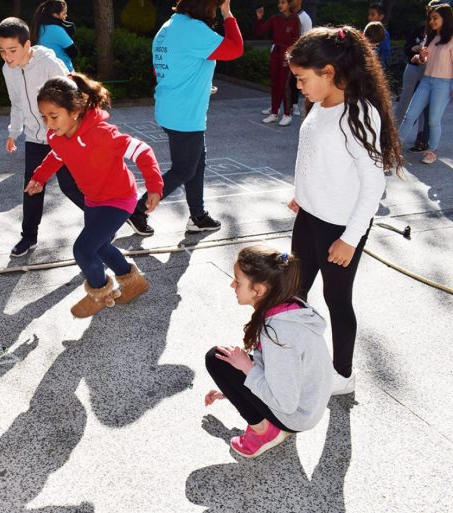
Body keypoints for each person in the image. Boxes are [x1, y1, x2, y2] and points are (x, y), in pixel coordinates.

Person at [287, 26, 403, 395]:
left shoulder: (359, 114)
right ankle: (295, 356)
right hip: (309, 216)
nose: (299, 87)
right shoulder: (320, 104)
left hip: (339, 226)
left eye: (302, 79)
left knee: (336, 299)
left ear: (329, 72)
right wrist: (302, 194)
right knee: (293, 290)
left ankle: (343, 374)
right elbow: (313, 156)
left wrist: (350, 239)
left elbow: (373, 184)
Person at [25, 73, 164, 318]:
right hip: (93, 199)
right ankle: (134, 283)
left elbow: (142, 150)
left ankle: (99, 293)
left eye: (54, 116)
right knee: (100, 247)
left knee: (83, 249)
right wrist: (39, 177)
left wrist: (154, 185)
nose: (48, 123)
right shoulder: (57, 137)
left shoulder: (102, 133)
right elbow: (57, 156)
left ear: (75, 111)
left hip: (120, 199)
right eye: (44, 117)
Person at [126, 0, 243, 237]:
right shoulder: (194, 29)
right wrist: (227, 13)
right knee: (183, 170)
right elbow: (235, 48)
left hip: (171, 108)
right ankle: (137, 210)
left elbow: (166, 69)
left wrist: (200, 86)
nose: (214, 12)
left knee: (197, 162)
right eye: (214, 7)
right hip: (185, 115)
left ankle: (198, 216)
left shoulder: (168, 27)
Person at [204, 245, 331, 458]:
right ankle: (268, 423)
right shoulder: (288, 308)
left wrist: (247, 368)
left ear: (259, 290)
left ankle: (264, 432)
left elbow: (285, 403)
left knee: (215, 359)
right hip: (305, 404)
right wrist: (232, 391)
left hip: (295, 415)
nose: (232, 285)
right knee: (225, 359)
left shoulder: (278, 334)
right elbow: (279, 371)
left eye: (238, 281)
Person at [0, 17, 85, 257]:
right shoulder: (8, 70)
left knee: (70, 186)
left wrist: (71, 132)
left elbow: (72, 97)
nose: (7, 56)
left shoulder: (48, 64)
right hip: (35, 138)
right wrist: (14, 132)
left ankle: (102, 222)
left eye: (12, 50)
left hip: (61, 137)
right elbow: (16, 104)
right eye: (2, 51)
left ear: (27, 45)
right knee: (32, 186)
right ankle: (28, 237)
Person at [398, 2, 453, 164]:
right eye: (430, 18)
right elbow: (424, 61)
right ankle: (395, 147)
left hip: (443, 83)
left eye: (435, 18)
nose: (431, 21)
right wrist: (421, 57)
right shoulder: (431, 37)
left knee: (433, 120)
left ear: (445, 18)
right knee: (410, 115)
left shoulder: (451, 39)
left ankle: (431, 151)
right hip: (426, 80)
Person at [255, 0, 300, 126]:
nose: (280, 5)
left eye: (283, 2)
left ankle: (287, 114)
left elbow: (296, 39)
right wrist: (259, 18)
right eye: (279, 3)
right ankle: (274, 113)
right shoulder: (275, 18)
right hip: (275, 52)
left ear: (289, 4)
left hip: (287, 54)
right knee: (275, 84)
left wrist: (291, 56)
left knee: (284, 85)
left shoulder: (295, 18)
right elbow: (261, 31)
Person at [395, 17, 430, 153]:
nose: (432, 21)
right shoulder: (419, 28)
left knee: (424, 107)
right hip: (413, 68)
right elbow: (407, 48)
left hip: (429, 72)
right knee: (404, 101)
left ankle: (421, 138)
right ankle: (393, 133)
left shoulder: (443, 34)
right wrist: (412, 48)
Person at [31, 0, 78, 72]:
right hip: (63, 71)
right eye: (64, 13)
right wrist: (70, 35)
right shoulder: (57, 29)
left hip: (44, 71)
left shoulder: (39, 27)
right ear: (55, 15)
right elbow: (73, 53)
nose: (66, 16)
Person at [286, 0, 312, 116]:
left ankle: (295, 104)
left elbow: (307, 38)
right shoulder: (287, 16)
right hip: (284, 53)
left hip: (297, 54)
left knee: (294, 81)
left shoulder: (305, 18)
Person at [367, 3, 392, 69]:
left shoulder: (384, 34)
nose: (369, 17)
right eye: (369, 14)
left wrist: (376, 65)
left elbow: (385, 52)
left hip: (376, 67)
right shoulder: (367, 31)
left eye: (372, 15)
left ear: (381, 17)